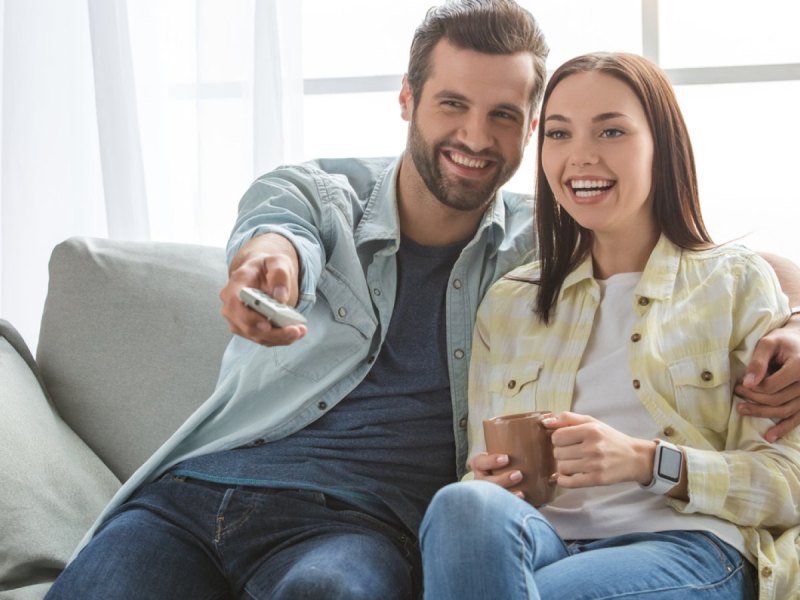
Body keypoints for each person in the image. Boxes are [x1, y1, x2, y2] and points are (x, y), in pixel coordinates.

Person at [44, 1, 800, 598]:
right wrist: (268, 263)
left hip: (357, 525)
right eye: (451, 104)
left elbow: (699, 257)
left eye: (505, 114)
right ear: (407, 99)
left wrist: (794, 322)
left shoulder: (547, 244)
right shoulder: (330, 196)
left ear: (527, 129)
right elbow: (278, 228)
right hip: (199, 493)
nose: (475, 135)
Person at [419, 52, 800, 600]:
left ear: (660, 146)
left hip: (684, 543)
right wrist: (489, 480)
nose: (581, 157)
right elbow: (484, 480)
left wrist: (648, 462)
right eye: (558, 133)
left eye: (612, 131)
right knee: (462, 503)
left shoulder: (734, 284)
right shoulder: (510, 303)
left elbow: (788, 481)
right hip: (542, 539)